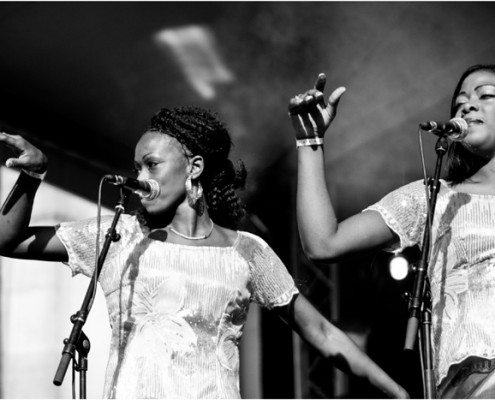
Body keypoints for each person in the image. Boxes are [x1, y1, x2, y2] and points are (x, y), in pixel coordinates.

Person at [0, 106, 408, 399]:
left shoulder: (247, 252)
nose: (139, 177)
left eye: (151, 165)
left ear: (193, 167)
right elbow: (10, 240)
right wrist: (32, 177)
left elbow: (319, 332)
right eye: (136, 167)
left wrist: (398, 394)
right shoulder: (121, 235)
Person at [288, 63, 495, 398]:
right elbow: (323, 244)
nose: (468, 106)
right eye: (459, 103)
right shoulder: (434, 197)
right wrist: (310, 142)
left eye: (486, 96)